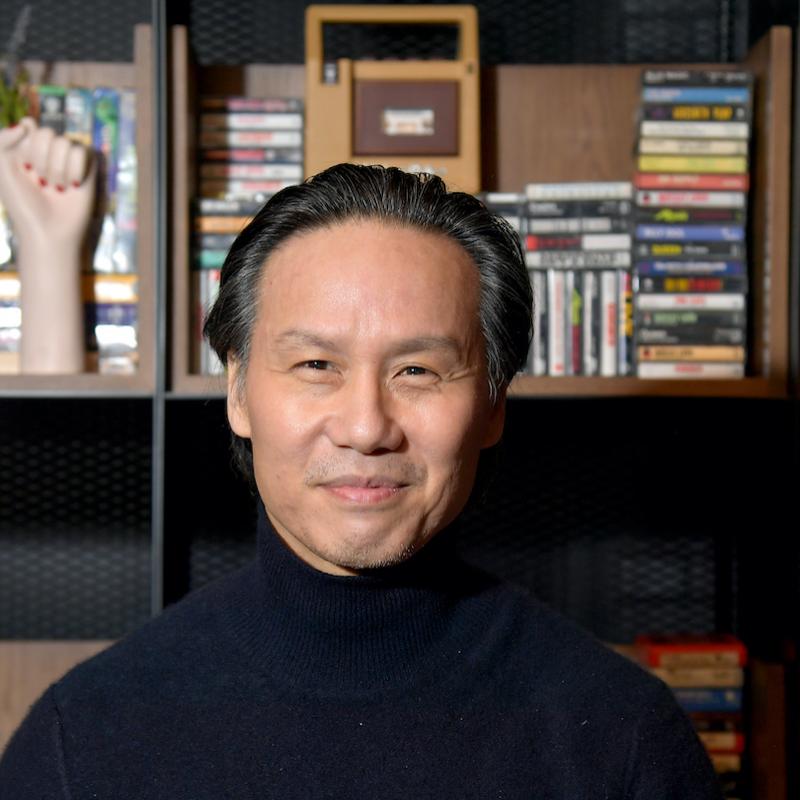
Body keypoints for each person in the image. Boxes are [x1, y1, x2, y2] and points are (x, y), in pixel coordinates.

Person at [0, 164, 722, 798]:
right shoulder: (84, 738)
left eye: (418, 370)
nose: (367, 426)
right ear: (240, 392)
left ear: (493, 405)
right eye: (317, 366)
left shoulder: (624, 740)